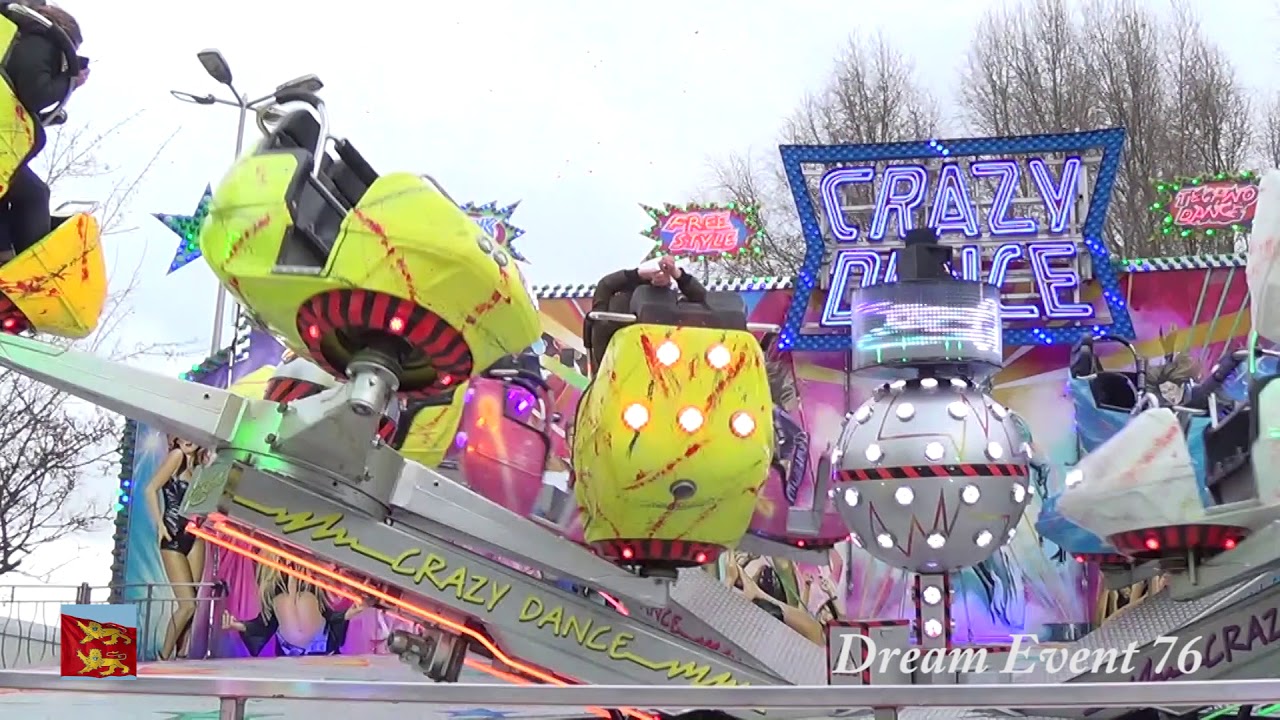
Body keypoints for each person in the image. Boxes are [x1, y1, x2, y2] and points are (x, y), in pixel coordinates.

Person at [0, 4, 88, 263]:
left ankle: (5, 253)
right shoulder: (41, 40)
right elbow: (35, 93)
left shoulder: (19, 37)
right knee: (36, 194)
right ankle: (32, 265)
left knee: (10, 191)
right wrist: (71, 81)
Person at [144, 436, 208, 660]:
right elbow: (150, 489)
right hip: (172, 534)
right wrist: (159, 524)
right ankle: (163, 655)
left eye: (193, 435)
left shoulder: (200, 467)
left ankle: (182, 653)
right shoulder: (177, 457)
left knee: (195, 600)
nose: (188, 440)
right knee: (187, 605)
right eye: (182, 435)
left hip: (195, 536)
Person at [586, 255, 707, 371]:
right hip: (620, 369)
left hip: (668, 369)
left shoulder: (677, 305)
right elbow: (605, 285)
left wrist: (676, 273)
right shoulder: (613, 313)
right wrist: (642, 274)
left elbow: (701, 297)